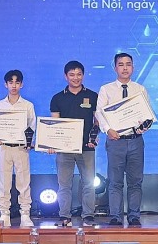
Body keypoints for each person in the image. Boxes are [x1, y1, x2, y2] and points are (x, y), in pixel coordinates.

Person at [95, 53, 151, 226]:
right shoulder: (106, 89)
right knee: (115, 181)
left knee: (135, 181)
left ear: (133, 67)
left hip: (135, 140)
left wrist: (145, 125)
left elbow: (146, 115)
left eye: (128, 64)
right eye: (121, 64)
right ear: (115, 68)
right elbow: (99, 112)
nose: (125, 68)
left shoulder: (140, 89)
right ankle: (116, 216)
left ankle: (134, 215)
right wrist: (108, 130)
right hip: (115, 140)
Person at [49, 61, 98, 227]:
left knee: (89, 183)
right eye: (72, 74)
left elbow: (97, 121)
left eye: (78, 74)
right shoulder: (57, 98)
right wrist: (52, 143)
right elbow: (54, 125)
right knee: (64, 184)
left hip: (87, 148)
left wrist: (93, 138)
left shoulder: (93, 96)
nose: (75, 78)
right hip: (64, 149)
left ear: (83, 75)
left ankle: (88, 216)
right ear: (65, 76)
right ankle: (64, 216)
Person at [0, 70, 36, 227]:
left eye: (17, 82)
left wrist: (29, 141)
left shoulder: (27, 105)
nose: (14, 86)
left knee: (23, 182)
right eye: (11, 82)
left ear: (22, 84)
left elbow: (32, 126)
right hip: (4, 148)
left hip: (21, 148)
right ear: (5, 84)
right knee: (4, 182)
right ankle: (4, 213)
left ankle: (25, 213)